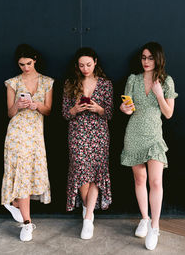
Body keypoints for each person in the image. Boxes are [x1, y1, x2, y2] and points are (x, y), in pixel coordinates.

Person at [120, 42, 178, 250]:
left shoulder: (166, 81)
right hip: (134, 132)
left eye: (150, 58)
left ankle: (155, 226)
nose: (146, 61)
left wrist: (159, 94)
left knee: (155, 181)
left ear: (158, 59)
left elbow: (169, 113)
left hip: (154, 135)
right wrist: (124, 108)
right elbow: (127, 108)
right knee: (140, 179)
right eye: (144, 58)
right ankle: (144, 218)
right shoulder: (133, 80)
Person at [1, 44, 54, 242]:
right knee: (21, 174)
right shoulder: (12, 83)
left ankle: (15, 203)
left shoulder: (47, 82)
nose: (25, 67)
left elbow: (48, 111)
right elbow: (9, 113)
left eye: (28, 63)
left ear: (35, 60)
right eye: (22, 64)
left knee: (30, 175)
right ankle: (26, 223)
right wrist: (18, 104)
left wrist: (37, 105)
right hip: (16, 134)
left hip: (35, 136)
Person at [62, 47, 113, 240]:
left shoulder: (106, 85)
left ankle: (88, 217)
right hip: (77, 133)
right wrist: (75, 109)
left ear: (96, 62)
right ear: (77, 65)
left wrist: (98, 108)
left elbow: (109, 113)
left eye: (89, 65)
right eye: (81, 65)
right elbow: (65, 114)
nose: (85, 68)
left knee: (96, 173)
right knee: (80, 171)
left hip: (99, 133)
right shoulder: (70, 83)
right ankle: (87, 207)